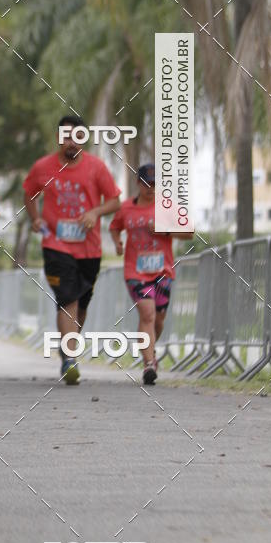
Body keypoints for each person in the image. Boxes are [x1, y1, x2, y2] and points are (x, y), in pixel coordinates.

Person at [24, 115, 121, 385]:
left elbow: (114, 201)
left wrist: (95, 211)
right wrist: (35, 219)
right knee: (68, 300)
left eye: (77, 137)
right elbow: (29, 193)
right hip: (55, 245)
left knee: (81, 305)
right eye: (66, 137)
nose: (71, 142)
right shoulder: (43, 167)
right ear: (59, 138)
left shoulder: (96, 168)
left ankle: (68, 345)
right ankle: (69, 359)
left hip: (89, 249)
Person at [109, 163, 193, 385]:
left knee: (159, 317)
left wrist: (165, 230)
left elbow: (189, 231)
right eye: (147, 183)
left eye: (155, 184)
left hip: (162, 271)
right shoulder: (126, 208)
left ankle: (151, 352)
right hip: (135, 271)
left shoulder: (168, 206)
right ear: (138, 183)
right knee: (147, 314)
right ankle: (148, 365)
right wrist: (117, 242)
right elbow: (115, 226)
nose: (151, 188)